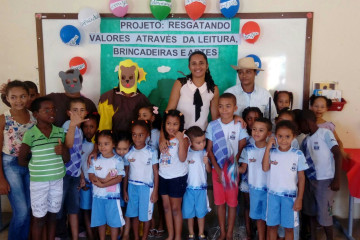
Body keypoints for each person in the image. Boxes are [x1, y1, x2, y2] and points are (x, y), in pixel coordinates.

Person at [18, 96, 70, 239]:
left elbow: (67, 159)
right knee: (39, 218)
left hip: (57, 180)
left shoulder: (59, 132)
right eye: (46, 110)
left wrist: (63, 150)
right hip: (39, 183)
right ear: (35, 114)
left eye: (53, 109)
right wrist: (36, 168)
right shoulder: (31, 134)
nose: (51, 112)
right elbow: (21, 159)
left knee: (53, 216)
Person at [206, 93, 248, 240]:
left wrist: (233, 164)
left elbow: (242, 145)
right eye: (221, 106)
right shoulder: (212, 126)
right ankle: (222, 232)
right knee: (220, 202)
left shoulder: (239, 125)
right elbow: (209, 149)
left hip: (232, 169)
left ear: (235, 108)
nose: (224, 110)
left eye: (228, 106)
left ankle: (230, 233)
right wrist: (217, 169)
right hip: (216, 168)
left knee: (232, 203)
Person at [0, 80, 36, 240]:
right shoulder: (3, 119)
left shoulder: (34, 118)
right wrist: (1, 178)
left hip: (31, 165)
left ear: (28, 96)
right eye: (13, 97)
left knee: (28, 209)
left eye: (22, 96)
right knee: (21, 211)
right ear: (6, 98)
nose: (18, 100)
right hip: (10, 165)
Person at [297, 110, 342, 240]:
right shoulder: (305, 140)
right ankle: (313, 236)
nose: (300, 129)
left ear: (306, 122)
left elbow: (338, 154)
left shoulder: (325, 133)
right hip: (310, 181)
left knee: (325, 214)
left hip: (325, 181)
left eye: (300, 125)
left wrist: (337, 179)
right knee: (310, 211)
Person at [262, 120, 308, 240]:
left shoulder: (297, 154)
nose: (283, 140)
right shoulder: (272, 152)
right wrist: (267, 148)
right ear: (275, 136)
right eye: (280, 136)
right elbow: (265, 167)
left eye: (287, 136)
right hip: (272, 196)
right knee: (272, 227)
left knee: (289, 228)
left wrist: (300, 199)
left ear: (293, 137)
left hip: (290, 198)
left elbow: (302, 178)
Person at [57, 97, 89, 240]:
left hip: (75, 174)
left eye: (81, 110)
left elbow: (78, 155)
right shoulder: (68, 125)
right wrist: (72, 126)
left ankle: (74, 237)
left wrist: (81, 175)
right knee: (60, 207)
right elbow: (68, 145)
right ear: (69, 113)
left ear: (86, 113)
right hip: (64, 173)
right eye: (75, 110)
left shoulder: (79, 130)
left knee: (73, 207)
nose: (78, 113)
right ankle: (59, 235)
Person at [123, 120, 159, 240]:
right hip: (132, 187)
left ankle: (144, 238)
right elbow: (126, 172)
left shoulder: (152, 152)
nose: (137, 138)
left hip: (146, 188)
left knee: (146, 216)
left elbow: (155, 172)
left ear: (147, 135)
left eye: (140, 135)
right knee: (134, 215)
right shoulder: (129, 152)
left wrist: (155, 191)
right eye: (134, 134)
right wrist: (124, 190)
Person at [166, 51, 219, 131]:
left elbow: (215, 118)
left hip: (201, 137)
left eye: (201, 63)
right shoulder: (180, 84)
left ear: (207, 66)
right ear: (189, 67)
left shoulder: (213, 89)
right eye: (194, 63)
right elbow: (169, 111)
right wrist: (162, 136)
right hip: (180, 135)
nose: (198, 67)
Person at [239, 117, 272, 240]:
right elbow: (243, 169)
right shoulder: (248, 150)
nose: (256, 132)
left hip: (270, 190)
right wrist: (231, 169)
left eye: (261, 130)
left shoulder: (273, 150)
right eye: (254, 129)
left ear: (268, 133)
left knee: (270, 219)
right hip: (254, 190)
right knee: (259, 218)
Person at [88, 130, 126, 240]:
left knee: (114, 222)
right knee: (100, 221)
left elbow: (119, 178)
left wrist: (102, 184)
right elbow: (91, 176)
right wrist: (103, 181)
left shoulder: (118, 160)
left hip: (112, 198)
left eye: (106, 144)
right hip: (98, 197)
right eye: (99, 144)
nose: (102, 147)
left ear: (113, 144)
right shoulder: (95, 160)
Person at [159, 109, 189, 240]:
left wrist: (181, 140)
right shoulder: (163, 138)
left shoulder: (184, 138)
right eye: (168, 123)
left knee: (176, 209)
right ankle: (170, 235)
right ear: (164, 124)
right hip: (163, 176)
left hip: (177, 177)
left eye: (175, 124)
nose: (171, 127)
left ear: (180, 125)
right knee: (166, 207)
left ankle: (177, 237)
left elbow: (182, 158)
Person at [98, 59, 150, 133]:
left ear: (136, 77)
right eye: (123, 77)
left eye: (131, 77)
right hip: (113, 141)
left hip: (136, 142)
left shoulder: (142, 99)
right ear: (119, 77)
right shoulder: (108, 98)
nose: (127, 80)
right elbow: (104, 127)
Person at [136, 104, 165, 237]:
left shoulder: (158, 133)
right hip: (143, 173)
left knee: (157, 199)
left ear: (152, 118)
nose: (141, 118)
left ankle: (161, 224)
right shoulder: (139, 133)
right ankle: (152, 224)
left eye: (145, 115)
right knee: (148, 199)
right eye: (139, 115)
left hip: (156, 170)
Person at [225, 57, 277, 123]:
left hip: (259, 133)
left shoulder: (265, 94)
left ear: (255, 73)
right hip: (235, 132)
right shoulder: (229, 94)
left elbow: (272, 119)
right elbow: (222, 117)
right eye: (240, 72)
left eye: (248, 72)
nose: (244, 75)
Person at [182, 126, 211, 240]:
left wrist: (207, 163)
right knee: (189, 213)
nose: (202, 144)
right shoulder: (186, 154)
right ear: (190, 142)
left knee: (201, 213)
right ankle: (191, 233)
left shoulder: (204, 153)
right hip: (188, 189)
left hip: (201, 189)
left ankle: (200, 233)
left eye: (203, 141)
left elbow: (208, 171)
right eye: (198, 142)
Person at [240, 106, 263, 240]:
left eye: (256, 118)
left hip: (262, 180)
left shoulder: (267, 140)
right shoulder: (245, 138)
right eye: (249, 119)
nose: (253, 121)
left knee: (261, 207)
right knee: (248, 205)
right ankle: (249, 233)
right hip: (247, 178)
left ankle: (261, 233)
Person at [79, 112, 100, 240]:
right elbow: (77, 162)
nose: (88, 130)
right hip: (85, 181)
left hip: (98, 182)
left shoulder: (100, 144)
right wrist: (81, 178)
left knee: (96, 210)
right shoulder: (79, 143)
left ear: (97, 127)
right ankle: (91, 235)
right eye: (86, 126)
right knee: (86, 210)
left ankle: (98, 234)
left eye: (92, 126)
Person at [309, 94, 347, 159]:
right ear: (311, 107)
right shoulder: (306, 124)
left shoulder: (328, 126)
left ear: (327, 109)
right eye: (316, 106)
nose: (319, 109)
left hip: (325, 159)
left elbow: (337, 140)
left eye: (322, 107)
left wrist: (342, 152)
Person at [115, 131, 132, 240]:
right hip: (115, 185)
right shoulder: (112, 154)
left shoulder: (130, 155)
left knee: (127, 210)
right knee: (118, 209)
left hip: (127, 185)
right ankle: (120, 231)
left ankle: (125, 233)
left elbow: (125, 175)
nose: (121, 152)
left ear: (129, 146)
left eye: (125, 149)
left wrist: (125, 190)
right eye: (119, 149)